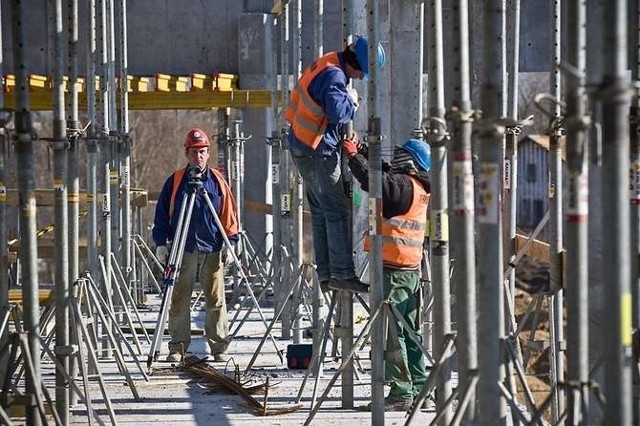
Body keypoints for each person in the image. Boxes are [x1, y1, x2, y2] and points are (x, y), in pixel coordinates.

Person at [284, 35, 386, 294]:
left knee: (320, 210)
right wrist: (352, 101)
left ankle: (326, 273)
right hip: (318, 151)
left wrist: (342, 133)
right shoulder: (335, 77)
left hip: (303, 145)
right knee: (337, 210)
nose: (360, 79)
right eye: (362, 74)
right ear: (358, 65)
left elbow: (323, 111)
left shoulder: (329, 61)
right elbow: (337, 112)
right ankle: (342, 272)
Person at [342, 136, 431, 411]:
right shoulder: (417, 187)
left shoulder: (402, 187)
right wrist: (364, 151)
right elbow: (384, 172)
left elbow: (375, 182)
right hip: (410, 270)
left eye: (400, 156)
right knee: (410, 332)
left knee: (393, 334)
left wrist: (353, 158)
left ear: (409, 160)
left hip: (394, 271)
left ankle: (401, 392)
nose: (395, 160)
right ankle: (418, 387)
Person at [152, 128, 239, 363]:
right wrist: (161, 243)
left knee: (216, 300)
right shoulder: (177, 181)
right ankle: (177, 347)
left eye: (202, 151)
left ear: (208, 153)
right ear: (187, 153)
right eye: (194, 152)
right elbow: (162, 215)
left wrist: (231, 242)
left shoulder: (218, 181)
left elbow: (229, 214)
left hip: (211, 247)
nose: (198, 156)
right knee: (179, 299)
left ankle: (219, 346)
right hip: (184, 248)